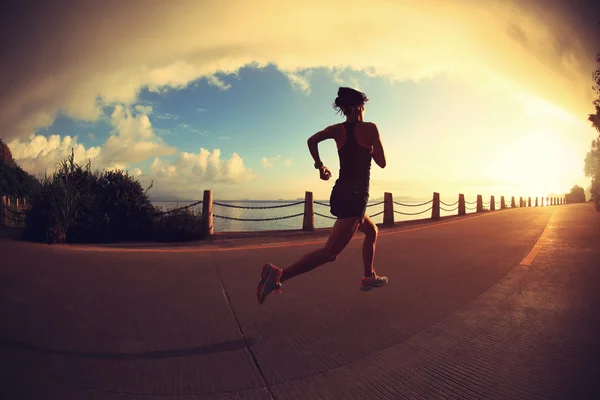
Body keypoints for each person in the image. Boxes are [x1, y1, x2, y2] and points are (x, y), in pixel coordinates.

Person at [256, 87, 388, 305]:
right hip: (356, 197)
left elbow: (312, 140)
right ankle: (277, 276)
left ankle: (369, 276)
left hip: (341, 192)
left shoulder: (337, 130)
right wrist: (372, 149)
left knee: (372, 231)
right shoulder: (370, 128)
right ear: (358, 107)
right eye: (363, 106)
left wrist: (320, 166)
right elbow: (382, 163)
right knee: (330, 253)